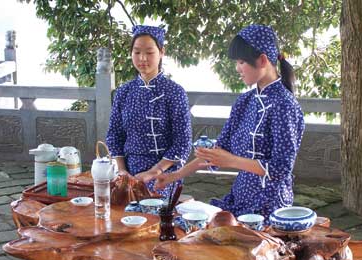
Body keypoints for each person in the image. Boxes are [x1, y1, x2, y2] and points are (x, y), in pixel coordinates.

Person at [155, 24, 305, 223]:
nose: (237, 68)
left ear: (262, 60)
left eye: (242, 62)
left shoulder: (285, 105)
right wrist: (173, 176)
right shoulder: (244, 102)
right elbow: (218, 152)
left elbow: (281, 168)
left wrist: (231, 161)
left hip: (269, 206)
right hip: (240, 197)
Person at [106, 25, 192, 198]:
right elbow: (114, 135)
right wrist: (122, 171)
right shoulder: (124, 92)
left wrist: (153, 172)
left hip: (164, 172)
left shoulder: (175, 92)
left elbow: (182, 142)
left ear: (161, 52)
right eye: (137, 52)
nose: (142, 58)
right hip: (128, 169)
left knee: (148, 202)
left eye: (149, 52)